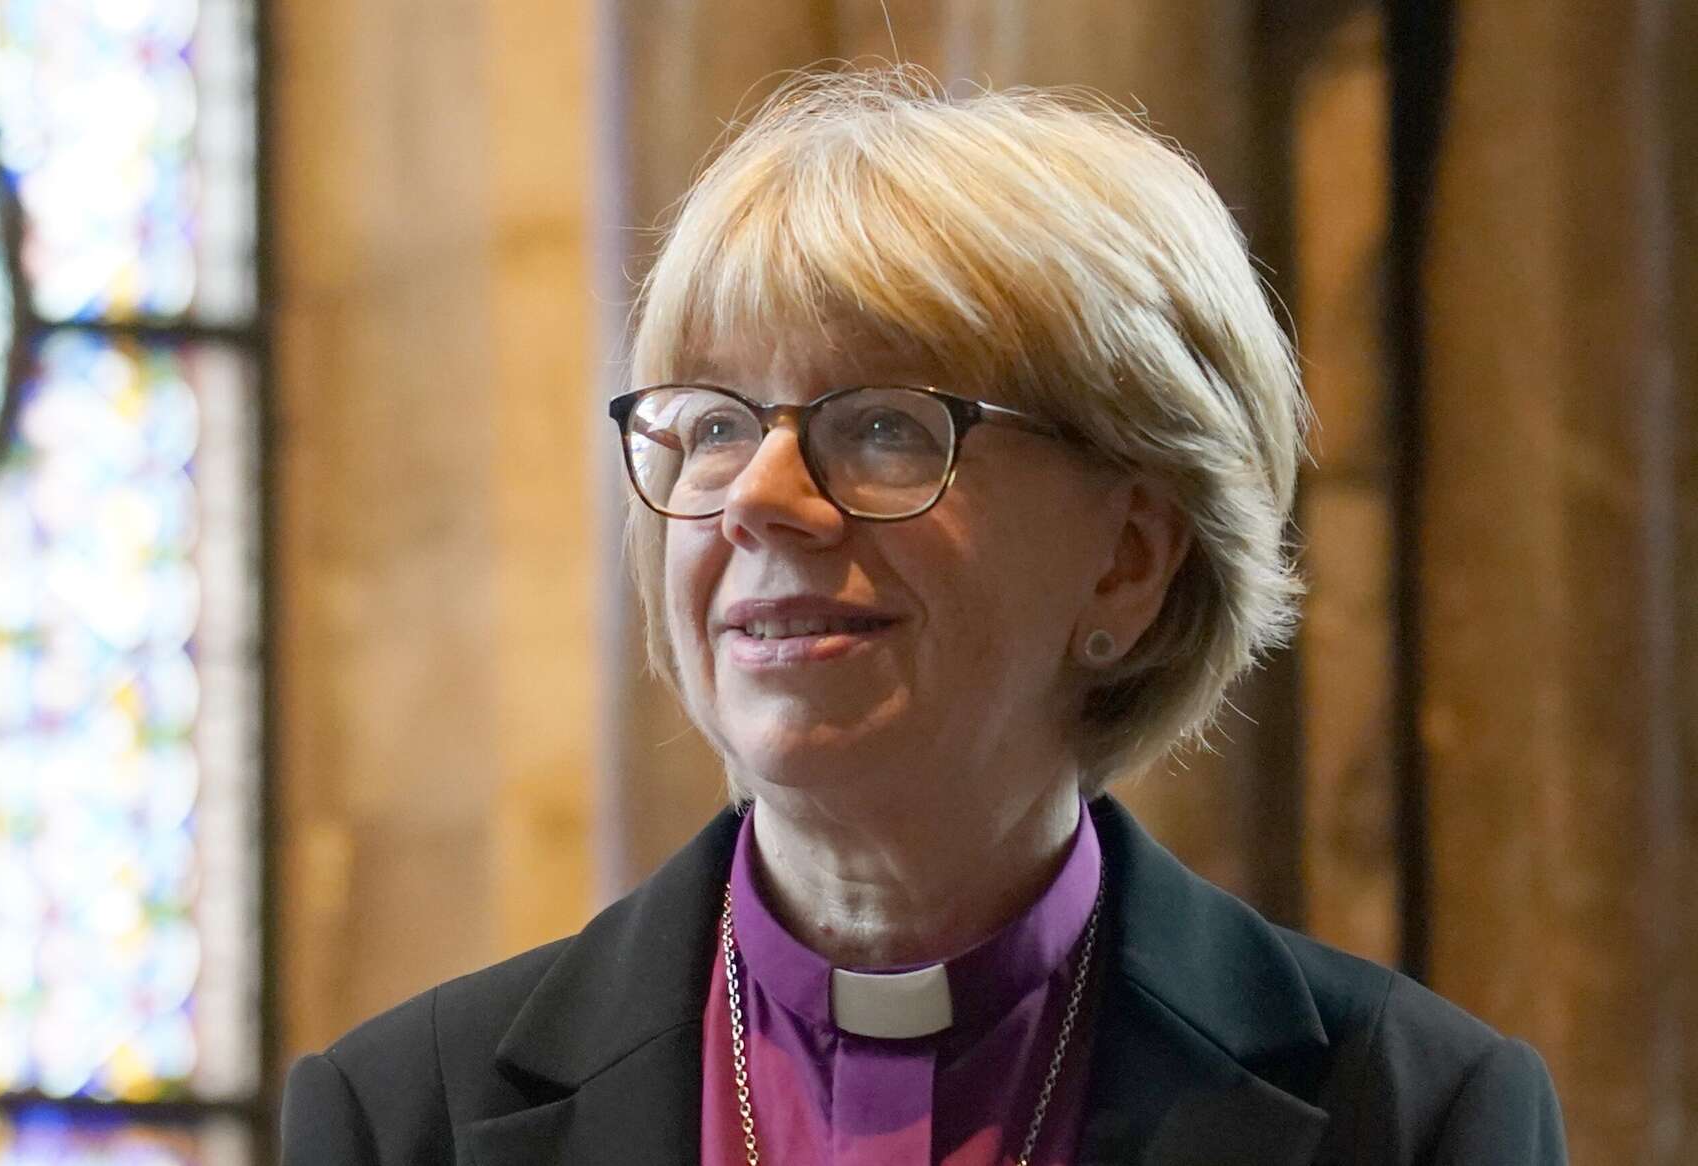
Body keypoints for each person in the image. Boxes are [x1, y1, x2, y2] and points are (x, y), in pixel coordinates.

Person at [281, 70, 1566, 1165]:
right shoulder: (406, 1119)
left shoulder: (1405, 1115)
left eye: (885, 426)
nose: (758, 500)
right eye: (715, 424)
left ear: (1127, 558)